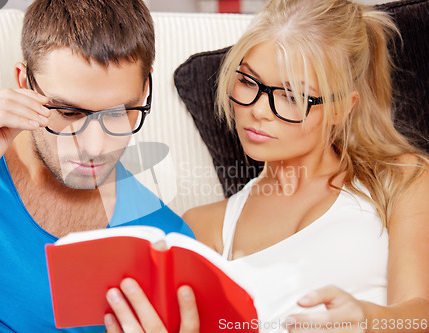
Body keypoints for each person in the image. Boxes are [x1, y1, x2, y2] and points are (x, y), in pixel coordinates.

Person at [102, 0, 429, 332]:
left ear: (341, 108)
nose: (258, 110)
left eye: (290, 95)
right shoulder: (206, 227)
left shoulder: (400, 177)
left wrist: (369, 321)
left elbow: (420, 314)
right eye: (248, 81)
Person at [0, 0, 194, 332]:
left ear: (145, 91)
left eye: (117, 113)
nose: (95, 147)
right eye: (68, 113)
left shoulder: (165, 242)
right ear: (24, 83)